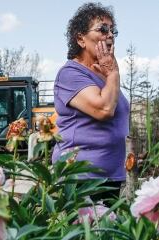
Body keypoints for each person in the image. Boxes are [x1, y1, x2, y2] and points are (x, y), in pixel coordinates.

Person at [52, 2, 129, 201]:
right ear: (80, 39)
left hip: (110, 175)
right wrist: (113, 73)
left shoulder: (105, 75)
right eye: (102, 29)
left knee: (106, 231)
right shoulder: (70, 74)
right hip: (82, 175)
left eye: (113, 30)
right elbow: (103, 109)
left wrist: (110, 74)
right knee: (85, 231)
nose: (110, 34)